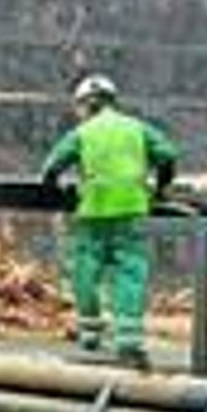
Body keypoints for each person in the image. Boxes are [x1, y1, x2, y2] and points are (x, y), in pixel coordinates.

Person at [40, 74, 179, 369]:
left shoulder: (83, 132)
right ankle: (128, 340)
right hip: (132, 208)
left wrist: (54, 188)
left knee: (86, 268)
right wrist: (161, 185)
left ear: (83, 105)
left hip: (93, 211)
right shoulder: (137, 128)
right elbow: (167, 154)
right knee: (130, 270)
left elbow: (51, 167)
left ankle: (90, 332)